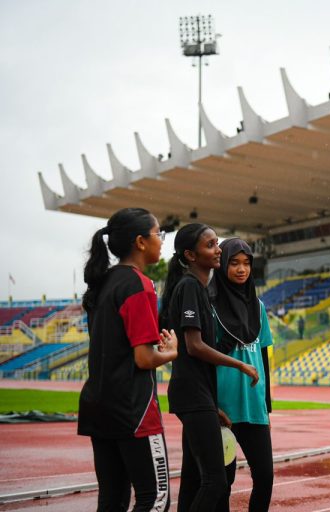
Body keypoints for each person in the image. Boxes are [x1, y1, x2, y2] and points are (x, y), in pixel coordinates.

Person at [78, 207, 177, 512]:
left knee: (112, 499)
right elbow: (144, 358)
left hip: (98, 404)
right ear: (140, 242)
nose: (162, 241)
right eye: (158, 234)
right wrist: (172, 351)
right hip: (132, 409)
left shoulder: (103, 281)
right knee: (155, 499)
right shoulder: (139, 284)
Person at [160, 224, 260, 512]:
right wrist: (240, 364)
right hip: (192, 394)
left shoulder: (199, 288)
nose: (218, 249)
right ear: (191, 255)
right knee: (216, 481)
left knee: (193, 480)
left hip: (197, 394)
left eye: (217, 242)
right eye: (210, 245)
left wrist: (211, 404)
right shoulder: (190, 286)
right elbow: (194, 346)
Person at [210, 238, 274, 512]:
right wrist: (210, 406)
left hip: (254, 408)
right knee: (223, 482)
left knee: (265, 477)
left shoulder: (257, 307)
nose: (241, 269)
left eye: (246, 263)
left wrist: (266, 407)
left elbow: (262, 357)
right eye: (234, 263)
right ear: (222, 264)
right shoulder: (209, 304)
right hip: (223, 409)